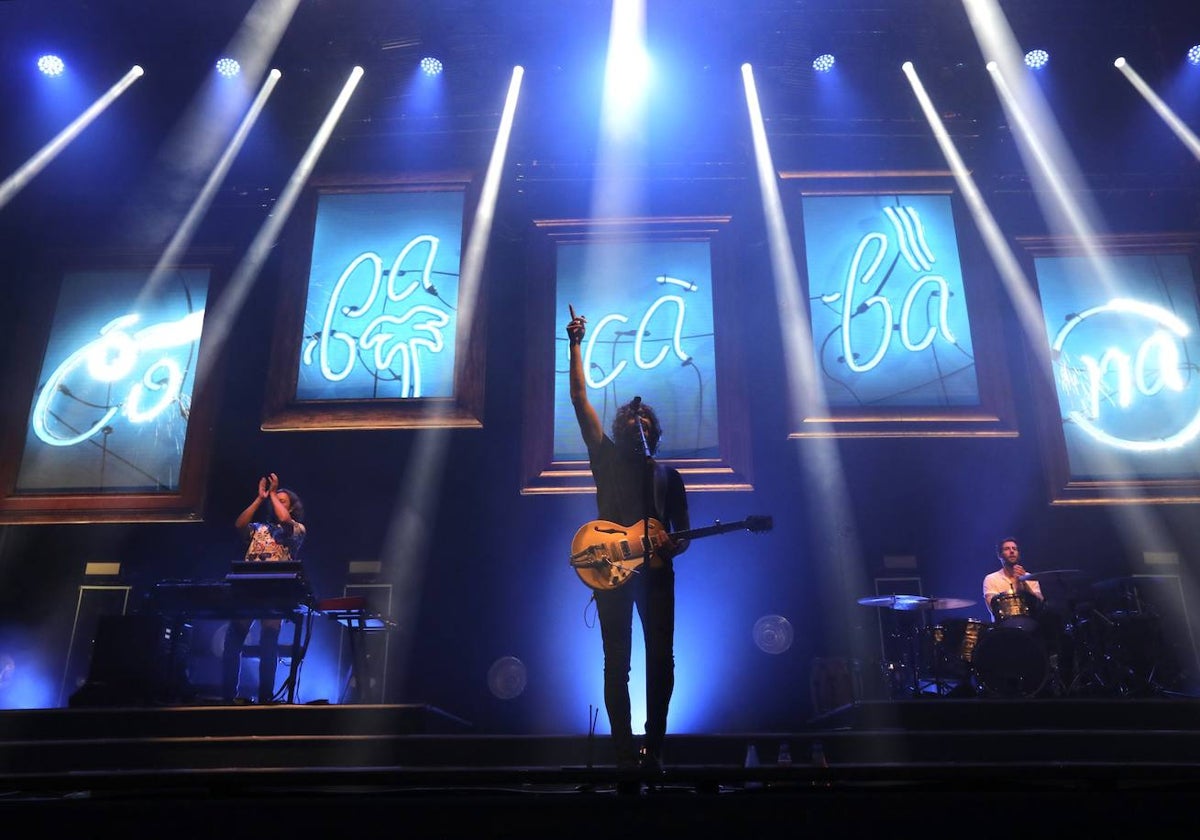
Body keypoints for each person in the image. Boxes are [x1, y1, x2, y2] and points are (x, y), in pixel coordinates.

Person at [566, 305, 690, 775]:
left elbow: (682, 534)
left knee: (662, 659)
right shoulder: (606, 458)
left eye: (646, 422)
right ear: (621, 429)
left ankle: (653, 750)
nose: (638, 424)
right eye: (631, 421)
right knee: (616, 662)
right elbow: (580, 400)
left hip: (657, 576)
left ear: (654, 433)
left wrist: (674, 544)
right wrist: (576, 343)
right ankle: (622, 754)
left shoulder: (669, 477)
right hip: (610, 571)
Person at [222, 473, 306, 704]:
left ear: (291, 507)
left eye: (282, 500)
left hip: (275, 589)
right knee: (234, 639)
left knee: (268, 641)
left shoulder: (296, 528)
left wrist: (273, 494)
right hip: (248, 586)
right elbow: (239, 525)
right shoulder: (259, 528)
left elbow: (285, 520)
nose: (274, 501)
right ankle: (228, 695)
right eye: (275, 499)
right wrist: (260, 498)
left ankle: (265, 697)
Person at [982, 537, 1043, 628]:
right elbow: (993, 606)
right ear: (1000, 555)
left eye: (1014, 549)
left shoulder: (1029, 577)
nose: (1012, 551)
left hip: (1030, 627)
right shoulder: (991, 578)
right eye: (1007, 549)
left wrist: (1023, 582)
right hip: (1002, 629)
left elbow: (1040, 602)